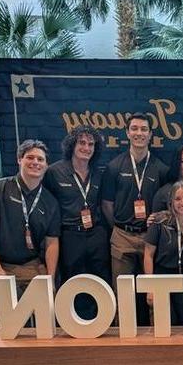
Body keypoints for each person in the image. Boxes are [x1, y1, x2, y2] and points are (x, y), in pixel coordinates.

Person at [0, 139, 60, 326]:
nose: (35, 162)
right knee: (6, 324)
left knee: (44, 322)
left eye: (40, 159)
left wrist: (50, 277)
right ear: (19, 160)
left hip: (30, 265)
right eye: (30, 157)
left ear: (46, 166)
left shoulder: (50, 201)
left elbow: (52, 242)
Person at [100, 112, 168, 323]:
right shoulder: (114, 167)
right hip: (122, 237)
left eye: (144, 129)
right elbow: (107, 204)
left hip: (152, 238)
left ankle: (158, 339)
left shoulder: (162, 168)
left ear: (150, 135)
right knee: (122, 293)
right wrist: (121, 226)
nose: (139, 133)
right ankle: (123, 342)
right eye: (135, 129)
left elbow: (169, 205)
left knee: (154, 293)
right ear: (127, 133)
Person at [44, 126, 110, 318]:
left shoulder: (98, 173)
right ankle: (75, 320)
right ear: (72, 145)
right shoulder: (55, 172)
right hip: (70, 234)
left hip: (96, 233)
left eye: (91, 144)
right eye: (82, 143)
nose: (87, 148)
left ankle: (100, 319)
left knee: (99, 278)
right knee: (72, 279)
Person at [143, 181, 183, 326]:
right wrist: (150, 287)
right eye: (177, 199)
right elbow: (148, 254)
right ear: (171, 202)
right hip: (161, 277)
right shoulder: (159, 222)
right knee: (164, 323)